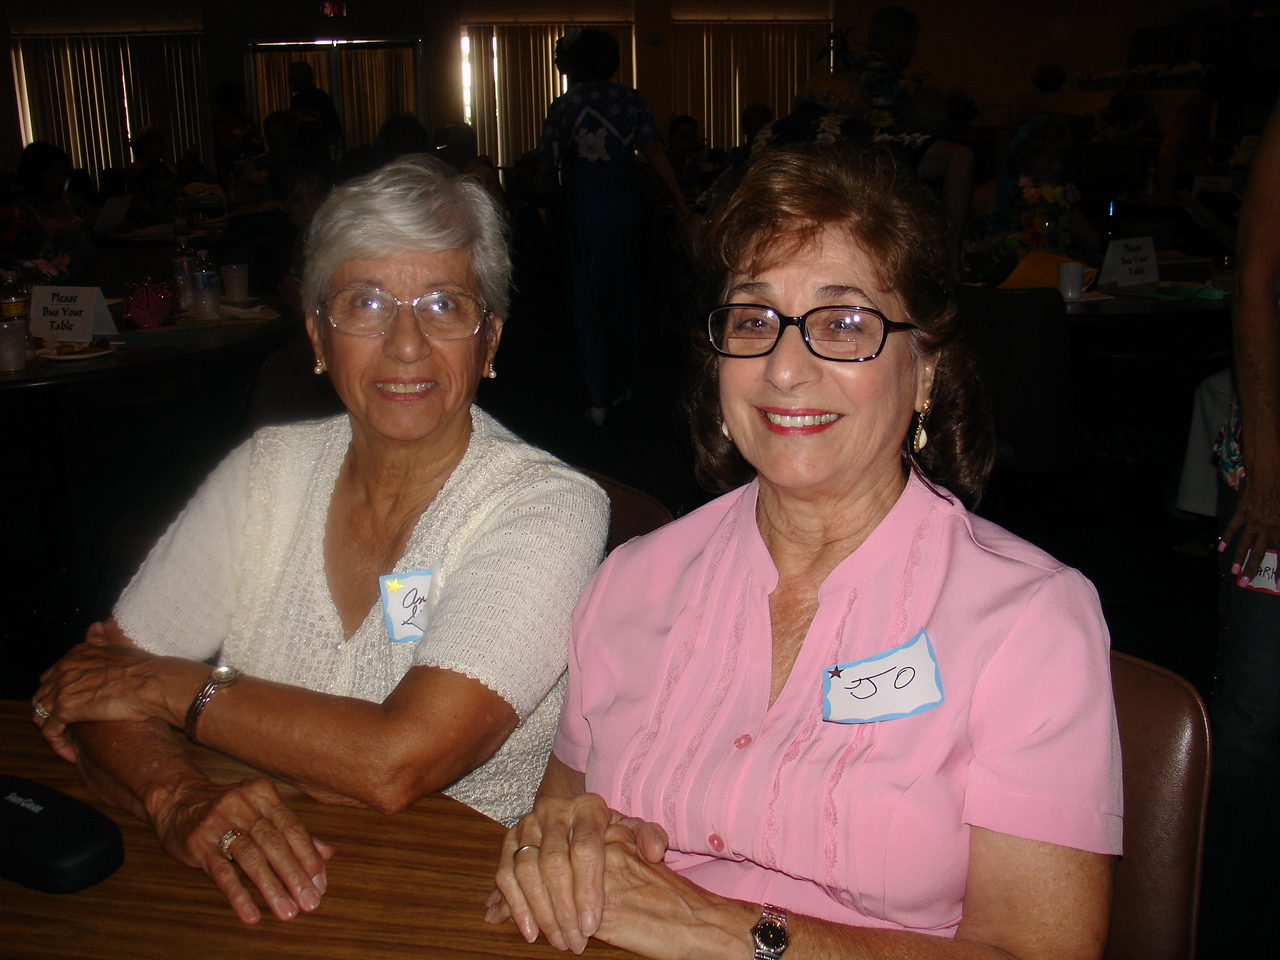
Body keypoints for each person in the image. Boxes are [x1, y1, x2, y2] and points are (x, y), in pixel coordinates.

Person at [488, 142, 1121, 958]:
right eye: (754, 320)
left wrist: (714, 930)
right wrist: (553, 854)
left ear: (926, 367)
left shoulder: (1030, 623)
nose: (785, 369)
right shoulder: (631, 582)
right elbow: (558, 831)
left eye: (843, 323)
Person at [31, 155, 609, 925]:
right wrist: (178, 797)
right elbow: (98, 692)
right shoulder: (268, 472)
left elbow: (396, 759)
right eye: (366, 302)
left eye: (444, 305)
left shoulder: (548, 508)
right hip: (253, 890)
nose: (406, 343)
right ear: (316, 333)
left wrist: (169, 687)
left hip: (456, 903)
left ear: (489, 339)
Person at [1201, 98, 1280, 957]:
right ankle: (1218, 927)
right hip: (1276, 464)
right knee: (1257, 723)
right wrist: (1266, 456)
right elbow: (1254, 276)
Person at [531, 27, 692, 424]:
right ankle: (623, 384)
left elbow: (545, 166)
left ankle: (598, 395)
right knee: (626, 291)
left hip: (583, 206)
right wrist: (680, 200)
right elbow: (653, 149)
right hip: (624, 201)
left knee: (586, 295)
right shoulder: (629, 98)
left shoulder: (564, 105)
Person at [288, 60, 343, 158]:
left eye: (293, 77)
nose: (290, 82)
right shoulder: (296, 101)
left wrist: (318, 149)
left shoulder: (321, 99)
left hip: (317, 157)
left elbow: (335, 130)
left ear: (304, 77)